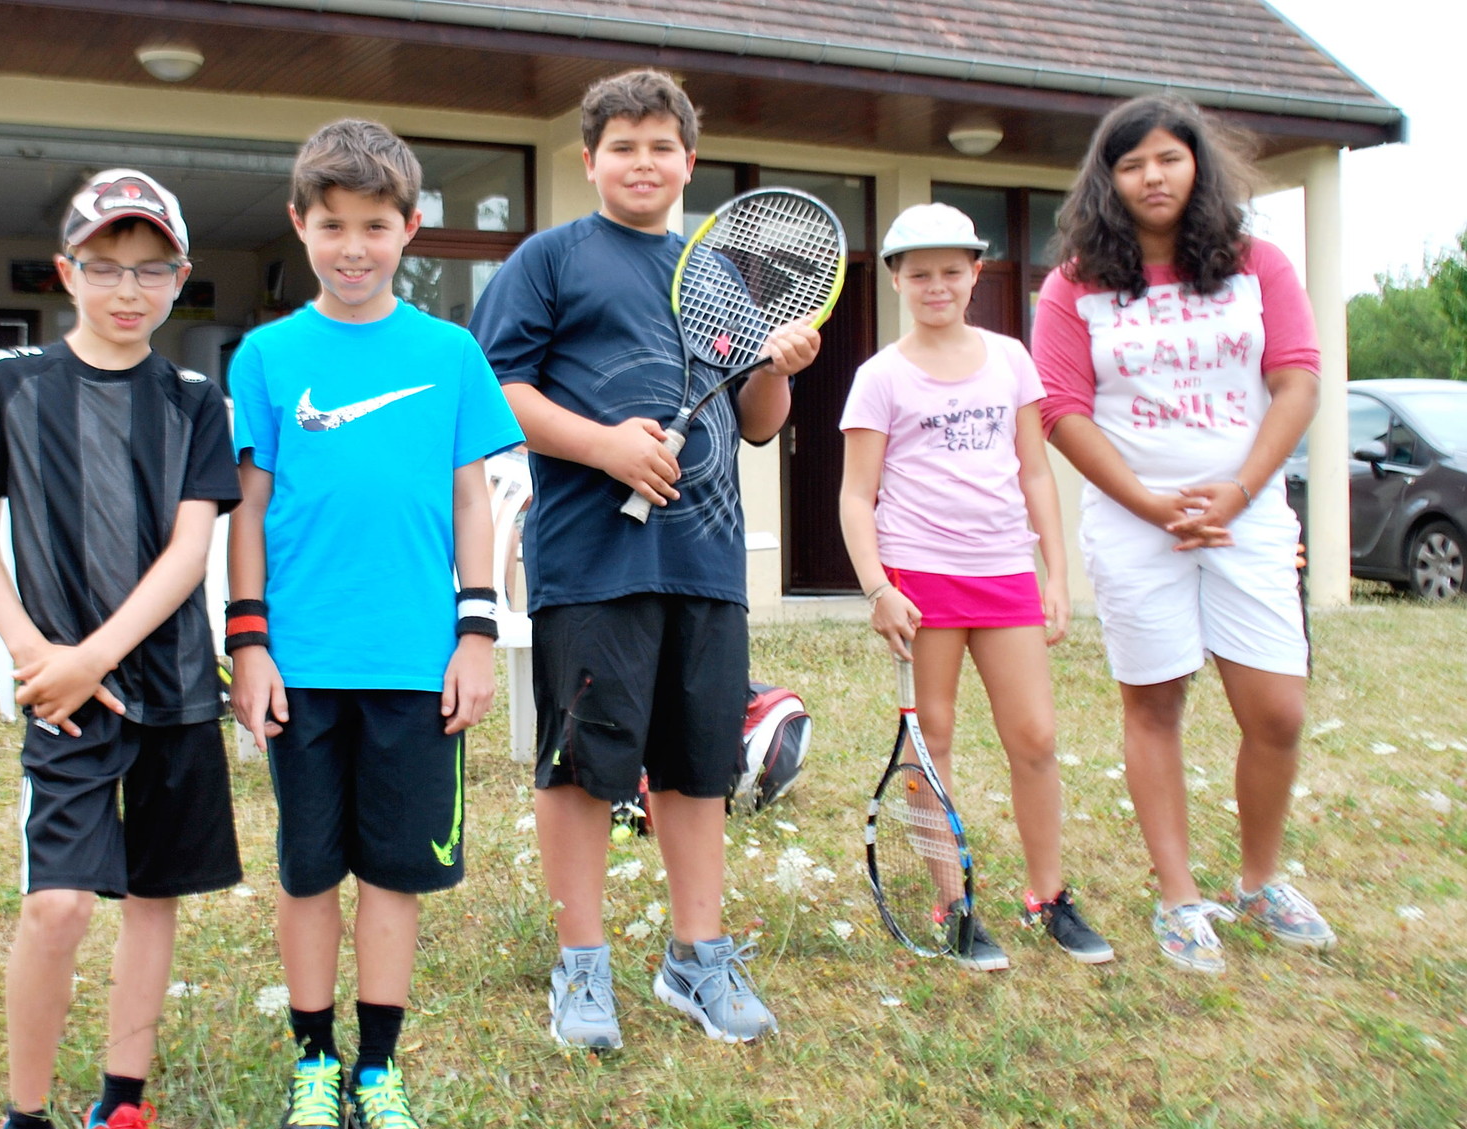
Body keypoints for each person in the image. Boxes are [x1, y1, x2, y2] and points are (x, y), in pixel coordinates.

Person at [469, 68, 821, 1051]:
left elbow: (756, 422)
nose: (641, 161)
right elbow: (498, 390)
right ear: (589, 161)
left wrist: (776, 370)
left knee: (698, 764)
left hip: (703, 562)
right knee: (584, 765)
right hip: (592, 557)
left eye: (660, 146)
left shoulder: (719, 274)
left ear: (688, 163)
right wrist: (604, 445)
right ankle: (581, 964)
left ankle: (694, 957)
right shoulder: (550, 260)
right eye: (620, 146)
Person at [0, 169, 242, 1129]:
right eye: (106, 266)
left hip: (163, 686)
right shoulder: (10, 384)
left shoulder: (192, 402)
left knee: (153, 896)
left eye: (152, 266)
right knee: (62, 903)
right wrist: (38, 655)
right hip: (57, 696)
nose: (129, 288)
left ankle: (121, 1106)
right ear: (68, 271)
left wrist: (95, 654)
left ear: (177, 278)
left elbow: (188, 549)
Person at [227, 118, 522, 1129]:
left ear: (410, 231)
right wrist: (248, 640)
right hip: (299, 664)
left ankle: (377, 1069)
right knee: (310, 872)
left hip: (413, 663)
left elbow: (471, 497)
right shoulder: (266, 355)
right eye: (333, 225)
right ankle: (313, 1060)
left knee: (390, 877)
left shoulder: (448, 353)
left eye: (377, 226)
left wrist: (476, 629)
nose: (354, 247)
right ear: (301, 224)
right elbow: (248, 508)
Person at [1031, 94, 1337, 974]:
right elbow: (1060, 409)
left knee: (1276, 711)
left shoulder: (1257, 265)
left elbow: (1298, 382)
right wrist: (1150, 503)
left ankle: (1257, 881)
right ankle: (1177, 897)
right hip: (1136, 527)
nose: (1150, 177)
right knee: (1155, 704)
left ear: (1196, 164)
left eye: (1166, 158)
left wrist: (1238, 492)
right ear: (1107, 179)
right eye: (1130, 165)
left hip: (1246, 518)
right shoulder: (1076, 282)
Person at [838, 203, 1115, 973]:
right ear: (894, 278)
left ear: (975, 274)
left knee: (1034, 737)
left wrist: (1055, 574)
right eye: (919, 272)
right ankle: (952, 904)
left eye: (951, 271)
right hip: (918, 577)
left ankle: (1047, 895)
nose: (936, 286)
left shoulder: (1009, 359)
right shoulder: (878, 377)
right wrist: (875, 590)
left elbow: (1034, 471)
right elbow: (855, 496)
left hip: (1003, 574)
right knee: (935, 746)